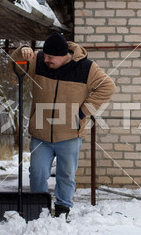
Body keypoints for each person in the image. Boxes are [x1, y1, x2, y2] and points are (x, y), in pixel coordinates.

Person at [11, 32, 115, 218]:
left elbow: (108, 86)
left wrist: (83, 111)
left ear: (64, 55)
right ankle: (39, 207)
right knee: (37, 172)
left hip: (69, 133)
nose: (47, 60)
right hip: (41, 132)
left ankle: (63, 208)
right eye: (45, 55)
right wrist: (21, 53)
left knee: (66, 175)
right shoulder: (39, 60)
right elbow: (16, 71)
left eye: (52, 57)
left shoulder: (86, 68)